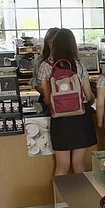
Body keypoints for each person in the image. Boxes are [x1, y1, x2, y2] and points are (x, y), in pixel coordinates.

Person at [37, 28, 97, 175]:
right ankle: (81, 191)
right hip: (80, 117)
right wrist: (91, 100)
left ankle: (59, 192)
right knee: (79, 164)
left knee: (62, 165)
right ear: (72, 45)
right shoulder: (78, 65)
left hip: (59, 120)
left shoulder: (45, 66)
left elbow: (47, 98)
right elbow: (88, 94)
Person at [31, 27, 59, 95]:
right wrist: (49, 97)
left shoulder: (68, 59)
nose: (54, 44)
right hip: (48, 97)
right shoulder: (41, 60)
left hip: (69, 97)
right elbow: (37, 84)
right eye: (51, 41)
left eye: (57, 42)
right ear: (47, 43)